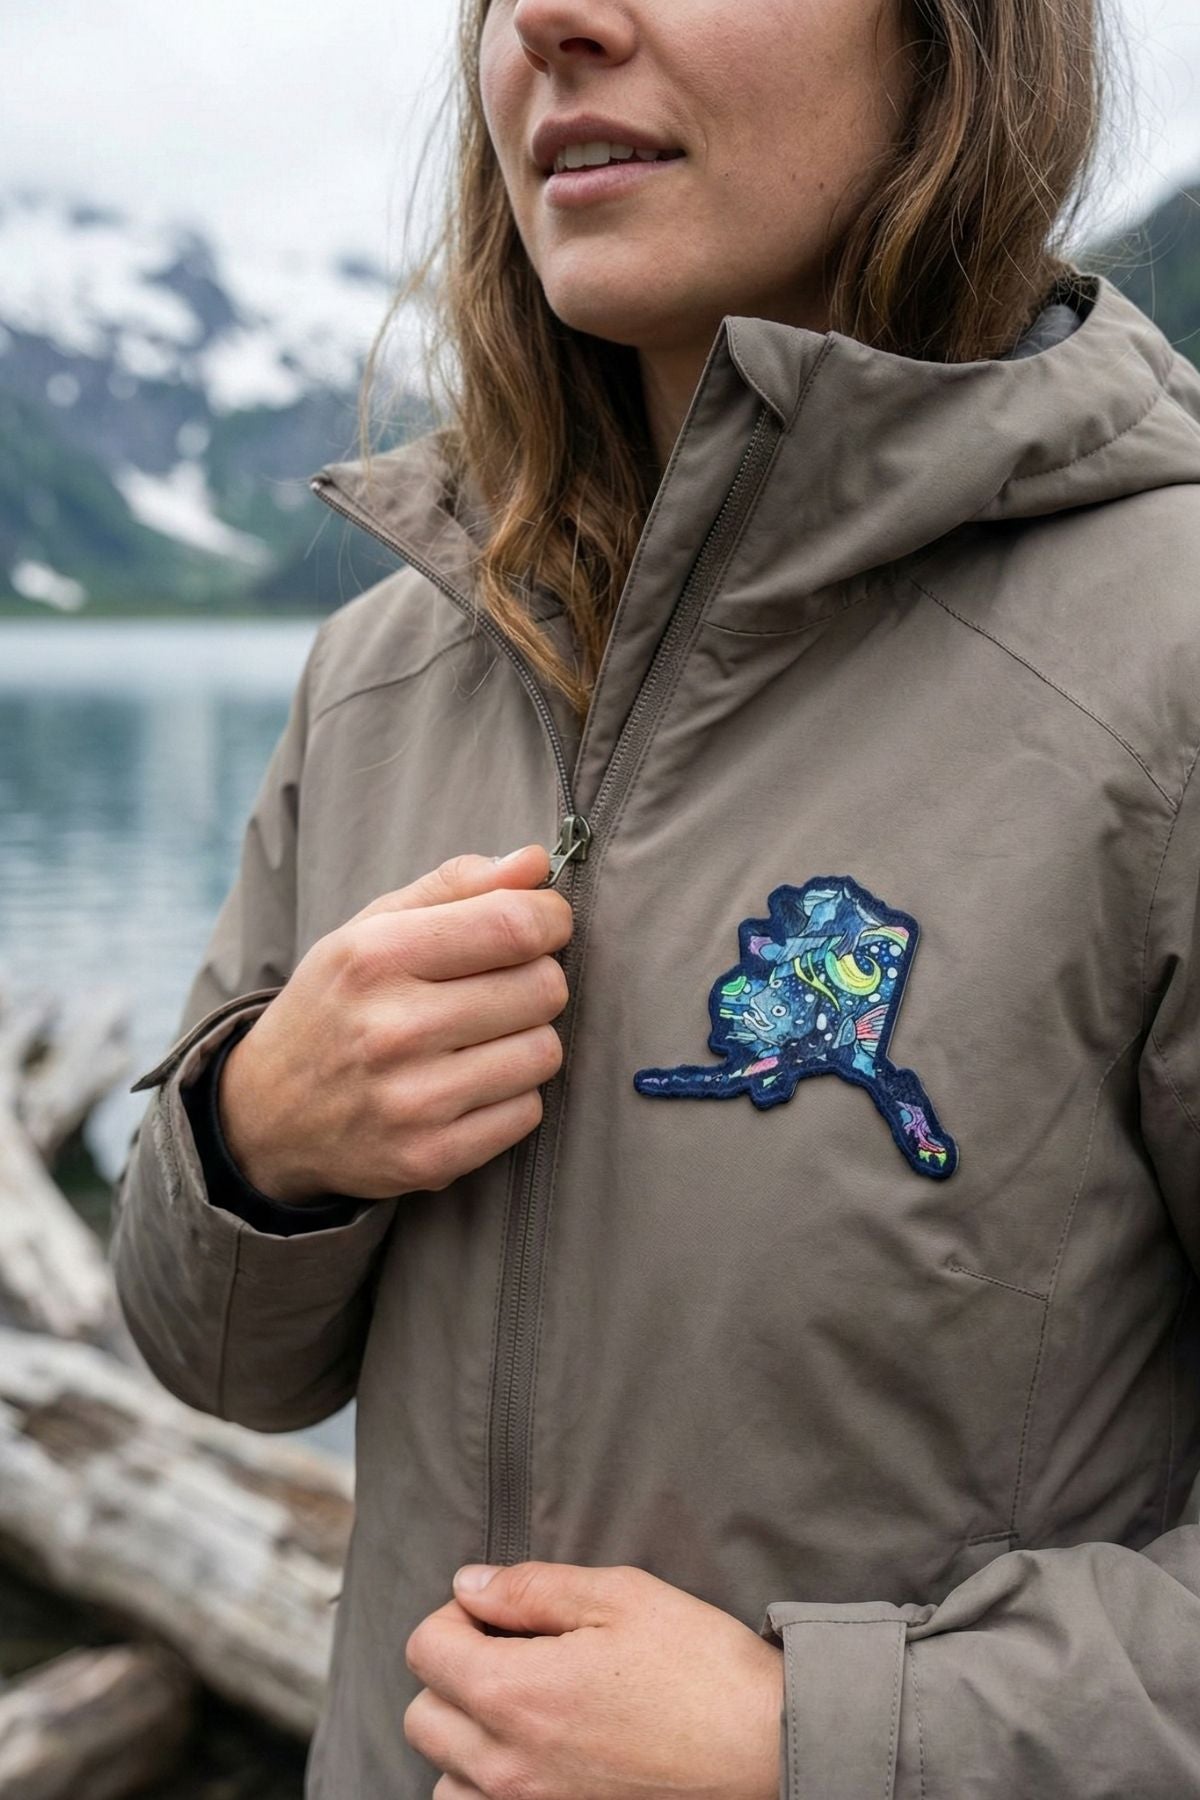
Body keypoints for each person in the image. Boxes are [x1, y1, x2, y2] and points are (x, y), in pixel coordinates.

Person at [108, 0, 1200, 1792]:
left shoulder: (1168, 656)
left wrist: (820, 1740)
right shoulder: (383, 669)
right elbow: (212, 1360)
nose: (554, 18)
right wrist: (256, 1139)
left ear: (955, 34)